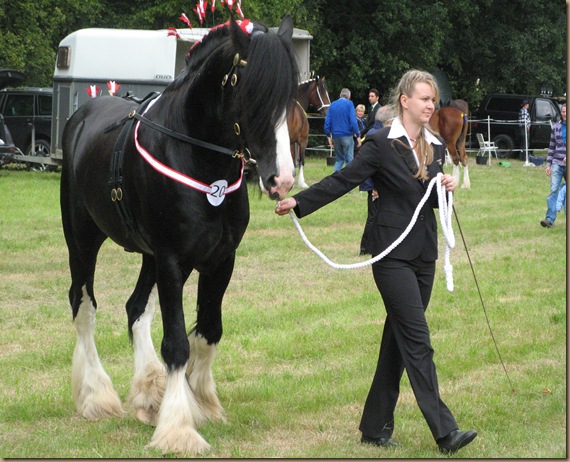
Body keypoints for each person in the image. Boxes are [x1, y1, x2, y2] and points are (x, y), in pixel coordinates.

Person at [276, 69, 477, 454]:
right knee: (418, 340)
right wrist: (300, 202)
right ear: (405, 101)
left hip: (424, 255)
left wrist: (446, 188)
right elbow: (345, 179)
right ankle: (445, 431)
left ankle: (374, 426)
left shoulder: (433, 145)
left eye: (433, 99)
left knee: (398, 343)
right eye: (424, 98)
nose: (431, 105)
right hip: (391, 256)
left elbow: (431, 202)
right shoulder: (381, 143)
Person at [359, 105, 395, 255]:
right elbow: (368, 167)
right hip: (374, 186)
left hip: (376, 185)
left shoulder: (375, 132)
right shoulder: (377, 135)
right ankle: (365, 247)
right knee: (373, 216)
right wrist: (373, 187)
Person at [541, 103, 566, 228]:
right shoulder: (556, 127)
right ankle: (549, 219)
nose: (565, 114)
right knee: (553, 190)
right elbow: (551, 147)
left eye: (567, 112)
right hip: (557, 162)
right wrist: (548, 164)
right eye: (563, 112)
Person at [324, 88, 362, 172]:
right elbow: (353, 121)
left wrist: (328, 137)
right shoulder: (349, 104)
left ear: (340, 95)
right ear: (349, 97)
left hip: (335, 136)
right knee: (349, 160)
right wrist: (358, 135)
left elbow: (327, 123)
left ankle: (335, 180)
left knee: (339, 160)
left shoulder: (332, 104)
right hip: (347, 135)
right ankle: (348, 181)